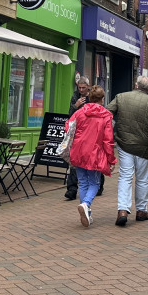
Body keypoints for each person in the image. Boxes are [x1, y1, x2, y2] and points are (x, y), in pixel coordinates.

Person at [107, 75, 148, 227]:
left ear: (136, 85)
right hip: (143, 146)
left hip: (124, 143)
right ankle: (141, 211)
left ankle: (122, 210)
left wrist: (112, 133)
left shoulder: (121, 97)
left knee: (125, 176)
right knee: (142, 179)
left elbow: (106, 114)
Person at [65, 86, 116, 227]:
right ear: (102, 99)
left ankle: (87, 212)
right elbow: (108, 140)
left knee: (83, 182)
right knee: (94, 183)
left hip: (78, 150)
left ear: (90, 98)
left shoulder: (80, 112)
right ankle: (86, 205)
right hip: (94, 153)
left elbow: (68, 126)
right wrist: (111, 159)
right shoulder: (106, 115)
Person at [64, 76, 91, 201]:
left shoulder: (93, 96)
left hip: (90, 133)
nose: (81, 90)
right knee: (74, 160)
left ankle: (98, 185)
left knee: (92, 160)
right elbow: (70, 114)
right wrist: (76, 105)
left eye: (83, 88)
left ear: (88, 87)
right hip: (78, 133)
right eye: (79, 87)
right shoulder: (75, 96)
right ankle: (72, 189)